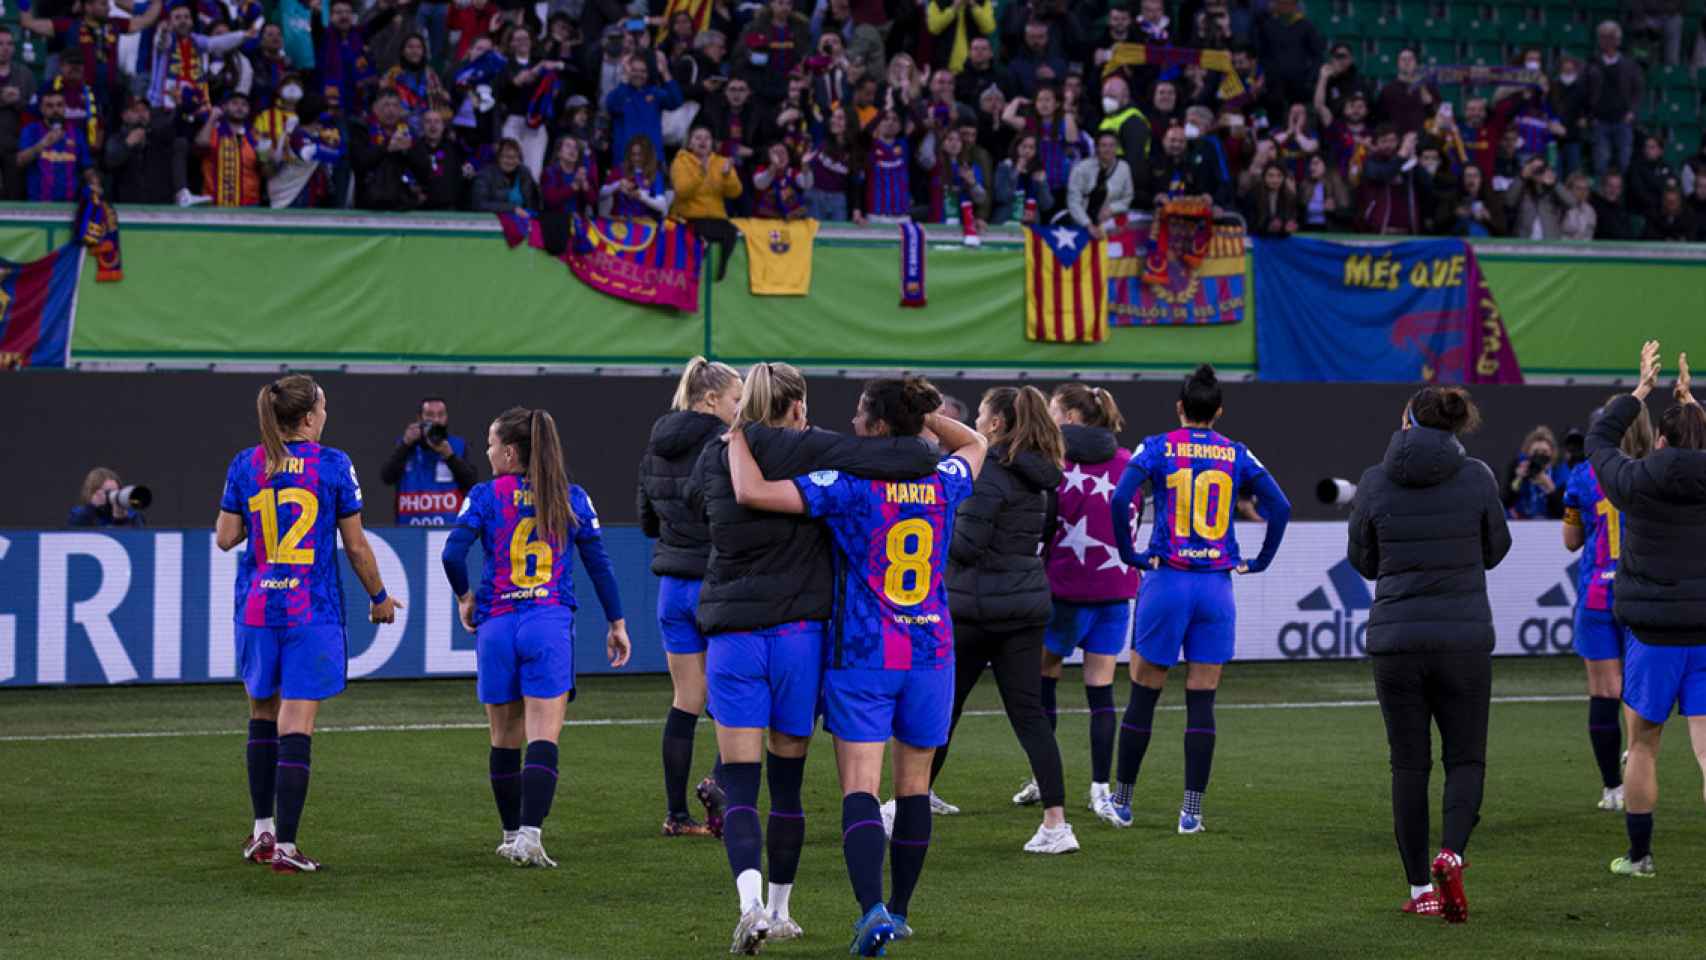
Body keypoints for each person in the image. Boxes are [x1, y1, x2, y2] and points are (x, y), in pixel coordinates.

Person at [725, 375, 986, 956]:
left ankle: (870, 911)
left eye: (861, 418)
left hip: (864, 655)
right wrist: (926, 422)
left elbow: (754, 492)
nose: (851, 426)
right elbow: (975, 444)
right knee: (914, 788)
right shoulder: (943, 484)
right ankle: (901, 910)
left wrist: (736, 434)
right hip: (932, 654)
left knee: (861, 791)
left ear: (876, 428)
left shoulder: (846, 486)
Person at [216, 374, 401, 873]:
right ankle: (289, 848)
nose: (326, 414)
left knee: (260, 714)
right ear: (308, 418)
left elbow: (225, 537)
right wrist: (380, 598)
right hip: (308, 609)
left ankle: (261, 833)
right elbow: (357, 547)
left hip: (257, 609)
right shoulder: (334, 465)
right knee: (296, 724)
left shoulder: (246, 463)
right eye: (322, 407)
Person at [1346, 385, 1512, 922]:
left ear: (1408, 421)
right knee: (1465, 759)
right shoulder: (1479, 476)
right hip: (1463, 638)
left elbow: (1363, 560)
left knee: (1408, 766)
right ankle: (1452, 853)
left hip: (1396, 640)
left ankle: (1421, 890)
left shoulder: (1374, 480)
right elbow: (1497, 549)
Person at [441, 406, 630, 868]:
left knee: (504, 737)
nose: (486, 452)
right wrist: (617, 623)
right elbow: (600, 566)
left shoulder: (485, 496)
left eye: (490, 444)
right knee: (544, 735)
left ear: (509, 452)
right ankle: (530, 835)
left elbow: (452, 554)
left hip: (498, 624)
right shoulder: (571, 496)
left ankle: (509, 835)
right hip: (547, 622)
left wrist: (466, 598)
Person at [1108, 365, 1291, 833]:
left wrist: (1132, 553)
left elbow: (1120, 497)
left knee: (1143, 696)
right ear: (1220, 411)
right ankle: (1191, 812)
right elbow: (1281, 506)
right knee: (1202, 701)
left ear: (1180, 407)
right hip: (1215, 586)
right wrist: (1262, 560)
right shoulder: (1235, 452)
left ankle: (1123, 802)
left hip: (1168, 579)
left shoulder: (1157, 446)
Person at [929, 386, 1074, 854]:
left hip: (976, 608)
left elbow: (967, 546)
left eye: (983, 415)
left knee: (942, 712)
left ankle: (906, 800)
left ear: (994, 426)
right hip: (1024, 605)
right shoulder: (1040, 474)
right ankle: (1057, 823)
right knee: (1030, 716)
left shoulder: (988, 472)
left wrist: (935, 524)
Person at [1588, 342, 1706, 880]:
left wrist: (1640, 392)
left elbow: (1598, 439)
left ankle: (1640, 857)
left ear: (1658, 438)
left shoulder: (1637, 481)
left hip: (1655, 635)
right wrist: (1694, 408)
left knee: (1643, 746)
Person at [637, 357, 743, 837]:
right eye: (737, 400)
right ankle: (718, 784)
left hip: (672, 587)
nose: (742, 410)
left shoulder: (653, 448)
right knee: (736, 699)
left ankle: (675, 815)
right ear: (710, 400)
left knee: (685, 699)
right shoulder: (724, 446)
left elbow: (646, 523)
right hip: (716, 584)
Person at [1023, 384, 1136, 824]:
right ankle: (1100, 790)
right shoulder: (1127, 463)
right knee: (1101, 693)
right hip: (1114, 591)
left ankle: (1042, 780)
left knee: (1043, 679)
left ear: (1070, 416)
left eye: (1054, 411)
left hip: (1062, 592)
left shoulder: (1053, 462)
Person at [1564, 395, 1655, 814]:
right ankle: (1636, 755)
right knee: (1642, 690)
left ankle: (1612, 788)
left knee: (1604, 692)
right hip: (1644, 593)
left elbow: (1571, 541)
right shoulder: (1652, 471)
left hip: (1599, 595)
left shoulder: (1583, 475)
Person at [379, 397, 477, 526]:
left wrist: (450, 457)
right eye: (430, 415)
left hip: (448, 530)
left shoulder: (457, 446)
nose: (436, 420)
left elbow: (472, 483)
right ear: (420, 419)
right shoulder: (406, 445)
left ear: (446, 418)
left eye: (440, 415)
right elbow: (387, 477)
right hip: (408, 530)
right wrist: (405, 445)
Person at [1587, 21, 1643, 176]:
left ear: (1618, 40)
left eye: (1611, 37)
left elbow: (1638, 90)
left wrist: (1632, 112)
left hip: (1623, 121)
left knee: (1625, 164)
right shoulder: (1592, 64)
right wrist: (1591, 116)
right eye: (1604, 37)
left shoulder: (1630, 65)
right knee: (1600, 164)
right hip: (1600, 121)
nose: (1607, 41)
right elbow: (1585, 91)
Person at [1066, 130, 1132, 238]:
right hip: (1080, 222)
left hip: (1108, 223)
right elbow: (1073, 201)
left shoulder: (1124, 168)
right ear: (1096, 148)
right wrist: (1088, 224)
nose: (1108, 150)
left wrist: (1112, 209)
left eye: (1112, 145)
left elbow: (1128, 198)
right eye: (1103, 145)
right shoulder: (1081, 169)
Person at [1503, 425, 1570, 520]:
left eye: (1544, 452)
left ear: (1552, 453)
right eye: (1535, 452)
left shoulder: (1560, 474)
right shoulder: (1518, 468)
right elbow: (1506, 502)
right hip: (1522, 525)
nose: (1539, 456)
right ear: (1528, 453)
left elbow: (1563, 513)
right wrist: (1518, 479)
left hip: (1551, 527)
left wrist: (1550, 487)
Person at [472, 138, 542, 213]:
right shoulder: (485, 174)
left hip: (523, 219)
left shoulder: (524, 173)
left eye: (515, 157)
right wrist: (512, 209)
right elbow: (479, 204)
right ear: (498, 157)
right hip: (493, 220)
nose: (510, 161)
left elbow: (533, 202)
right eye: (506, 157)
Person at [67, 467, 146, 528]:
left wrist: (121, 519)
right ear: (93, 493)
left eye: (116, 492)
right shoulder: (80, 514)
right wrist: (92, 507)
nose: (113, 496)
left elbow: (136, 541)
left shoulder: (132, 515)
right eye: (108, 492)